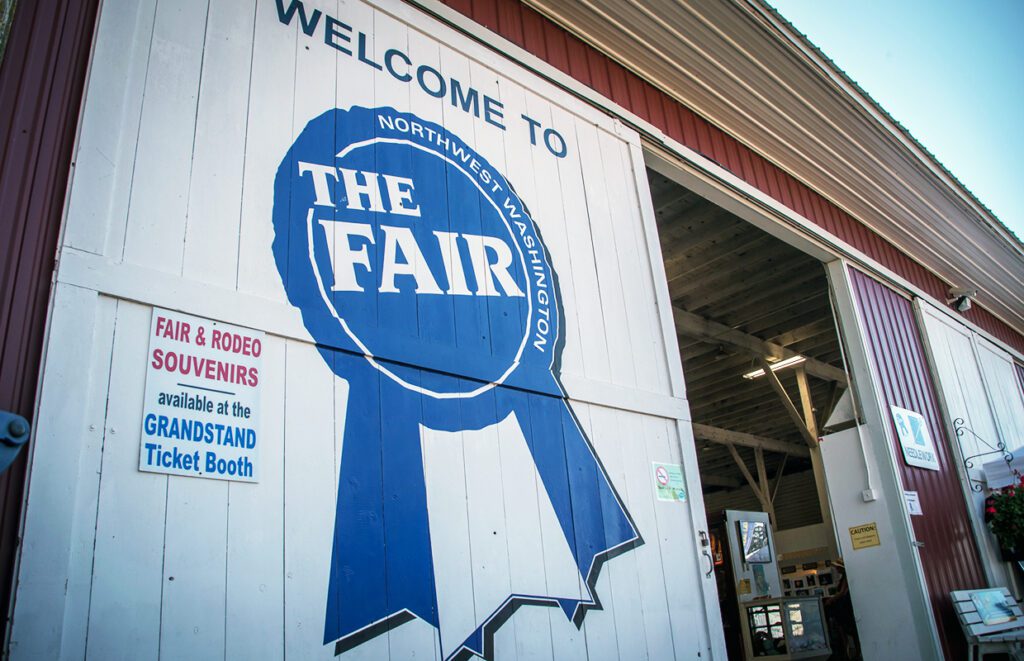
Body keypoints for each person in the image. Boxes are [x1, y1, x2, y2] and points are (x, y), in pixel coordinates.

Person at [823, 559, 861, 660]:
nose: (836, 569)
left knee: (847, 630)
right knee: (847, 630)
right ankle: (851, 652)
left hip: (844, 607)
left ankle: (851, 652)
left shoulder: (846, 577)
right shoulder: (844, 577)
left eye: (837, 567)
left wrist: (831, 600)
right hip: (843, 606)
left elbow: (842, 592)